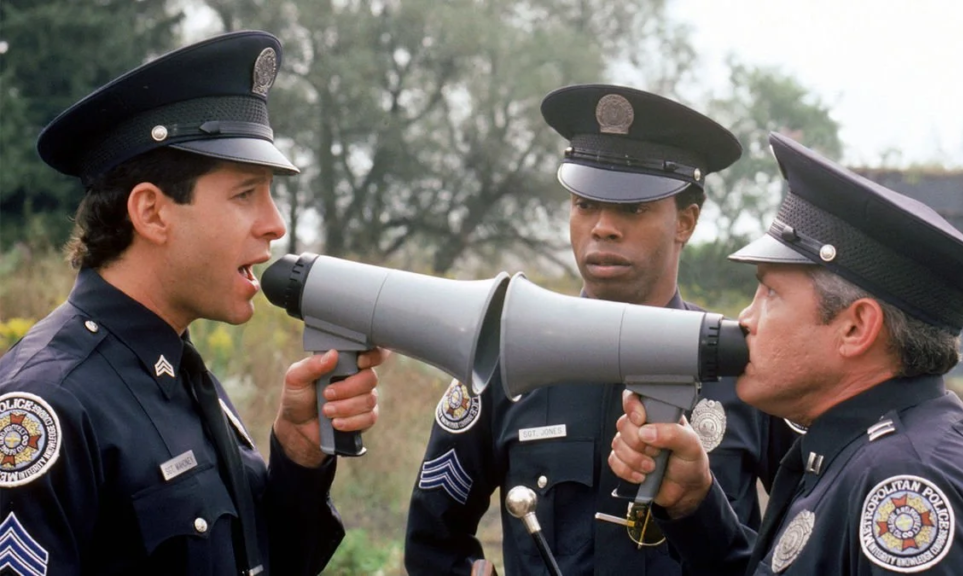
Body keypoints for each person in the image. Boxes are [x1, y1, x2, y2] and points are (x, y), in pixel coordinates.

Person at [0, 31, 384, 575]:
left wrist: (299, 450)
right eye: (245, 194)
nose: (275, 224)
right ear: (152, 213)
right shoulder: (47, 406)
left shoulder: (175, 370)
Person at [405, 84, 798, 575]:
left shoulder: (745, 367)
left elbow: (811, 541)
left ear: (686, 222)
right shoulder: (505, 359)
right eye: (584, 204)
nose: (602, 227)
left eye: (633, 209)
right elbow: (432, 541)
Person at [609, 132, 963, 575]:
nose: (746, 318)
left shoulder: (903, 489)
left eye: (771, 292)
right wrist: (695, 505)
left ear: (855, 328)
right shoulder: (862, 451)